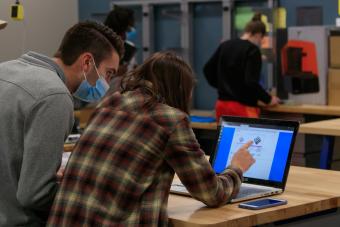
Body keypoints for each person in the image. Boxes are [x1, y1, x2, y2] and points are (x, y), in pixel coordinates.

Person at [47, 51, 255, 226]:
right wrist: (236, 167)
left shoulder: (110, 103)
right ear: (181, 90)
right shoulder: (170, 120)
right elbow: (212, 193)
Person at [0, 21, 123, 226]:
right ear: (86, 63)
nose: (107, 83)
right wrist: (89, 196)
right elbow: (34, 195)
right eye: (109, 73)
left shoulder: (4, 69)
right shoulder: (54, 95)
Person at [204, 12, 280, 121]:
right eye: (261, 39)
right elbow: (251, 82)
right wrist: (268, 99)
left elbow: (207, 69)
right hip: (242, 107)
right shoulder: (252, 50)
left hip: (221, 105)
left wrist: (223, 87)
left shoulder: (225, 45)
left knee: (225, 137)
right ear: (258, 34)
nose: (259, 43)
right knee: (248, 138)